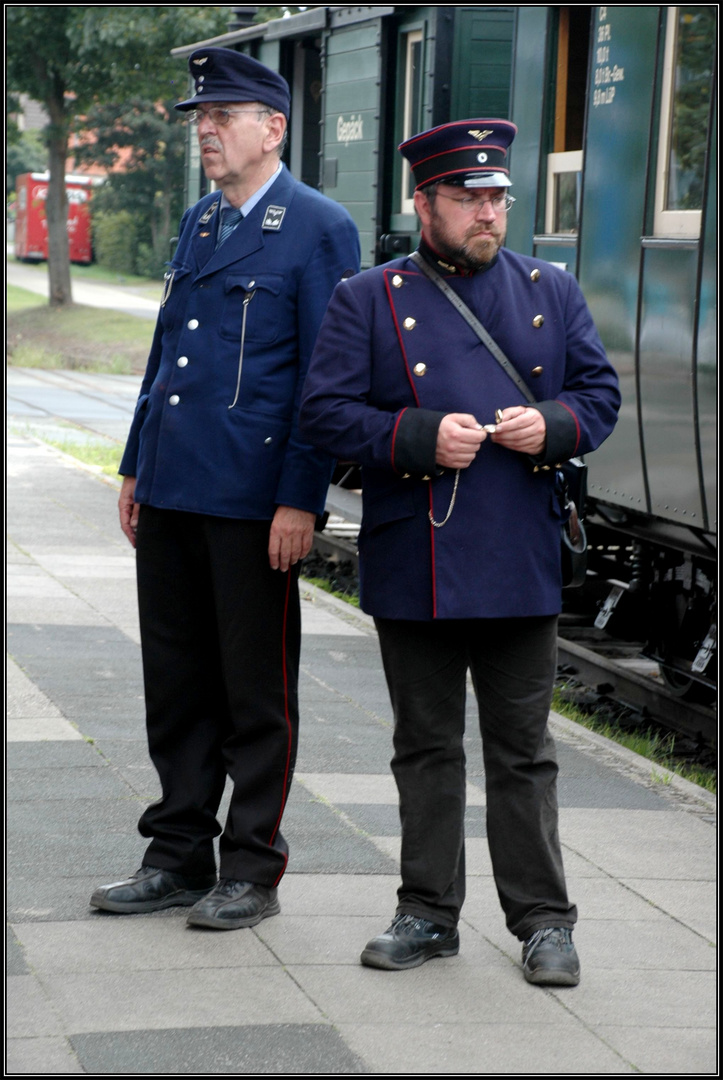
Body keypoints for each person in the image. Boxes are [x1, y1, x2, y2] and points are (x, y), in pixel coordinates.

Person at [299, 119, 620, 984]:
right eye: (468, 198)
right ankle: (426, 912)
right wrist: (416, 436)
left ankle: (544, 921)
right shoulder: (366, 297)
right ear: (423, 202)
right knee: (425, 746)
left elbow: (599, 395)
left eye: (496, 199)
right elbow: (324, 416)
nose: (487, 213)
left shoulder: (549, 287)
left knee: (523, 751)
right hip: (419, 554)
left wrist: (549, 424)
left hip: (518, 552)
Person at [91, 48, 360, 930]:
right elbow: (166, 356)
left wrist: (299, 499)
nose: (204, 130)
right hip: (173, 486)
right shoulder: (202, 221)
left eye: (222, 116)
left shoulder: (317, 226)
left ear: (272, 127)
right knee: (174, 684)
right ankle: (175, 853)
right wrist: (137, 465)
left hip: (251, 499)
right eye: (199, 118)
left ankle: (251, 867)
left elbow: (325, 382)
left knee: (254, 692)